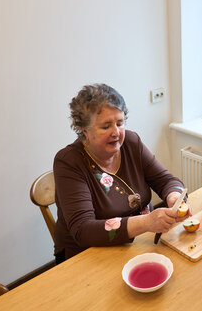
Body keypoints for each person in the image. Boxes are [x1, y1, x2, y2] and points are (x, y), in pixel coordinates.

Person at [53, 83, 188, 263]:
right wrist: (147, 222)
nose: (116, 132)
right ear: (84, 131)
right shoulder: (68, 161)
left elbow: (166, 180)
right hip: (86, 256)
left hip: (137, 243)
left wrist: (173, 197)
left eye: (120, 123)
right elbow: (83, 230)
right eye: (106, 126)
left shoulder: (131, 142)